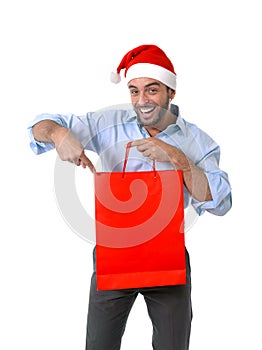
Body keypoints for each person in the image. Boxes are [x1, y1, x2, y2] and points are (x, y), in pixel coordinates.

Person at [28, 44, 232, 350]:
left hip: (168, 261)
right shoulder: (108, 125)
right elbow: (37, 127)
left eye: (152, 90)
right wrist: (59, 134)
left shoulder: (197, 141)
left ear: (171, 92)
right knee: (98, 345)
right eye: (134, 91)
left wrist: (178, 159)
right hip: (114, 257)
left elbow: (220, 202)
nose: (142, 101)